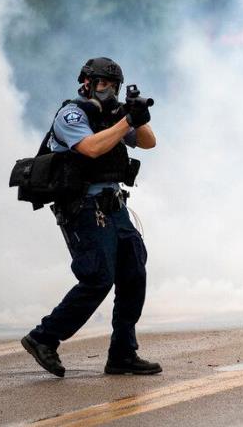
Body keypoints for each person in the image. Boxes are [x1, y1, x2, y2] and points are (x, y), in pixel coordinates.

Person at [20, 57, 161, 377]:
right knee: (97, 277)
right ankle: (44, 337)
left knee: (134, 273)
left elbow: (149, 143)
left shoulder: (112, 115)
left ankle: (123, 353)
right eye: (101, 83)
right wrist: (126, 121)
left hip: (114, 205)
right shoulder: (72, 113)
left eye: (112, 84)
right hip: (82, 206)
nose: (107, 89)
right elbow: (91, 148)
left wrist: (137, 115)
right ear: (86, 82)